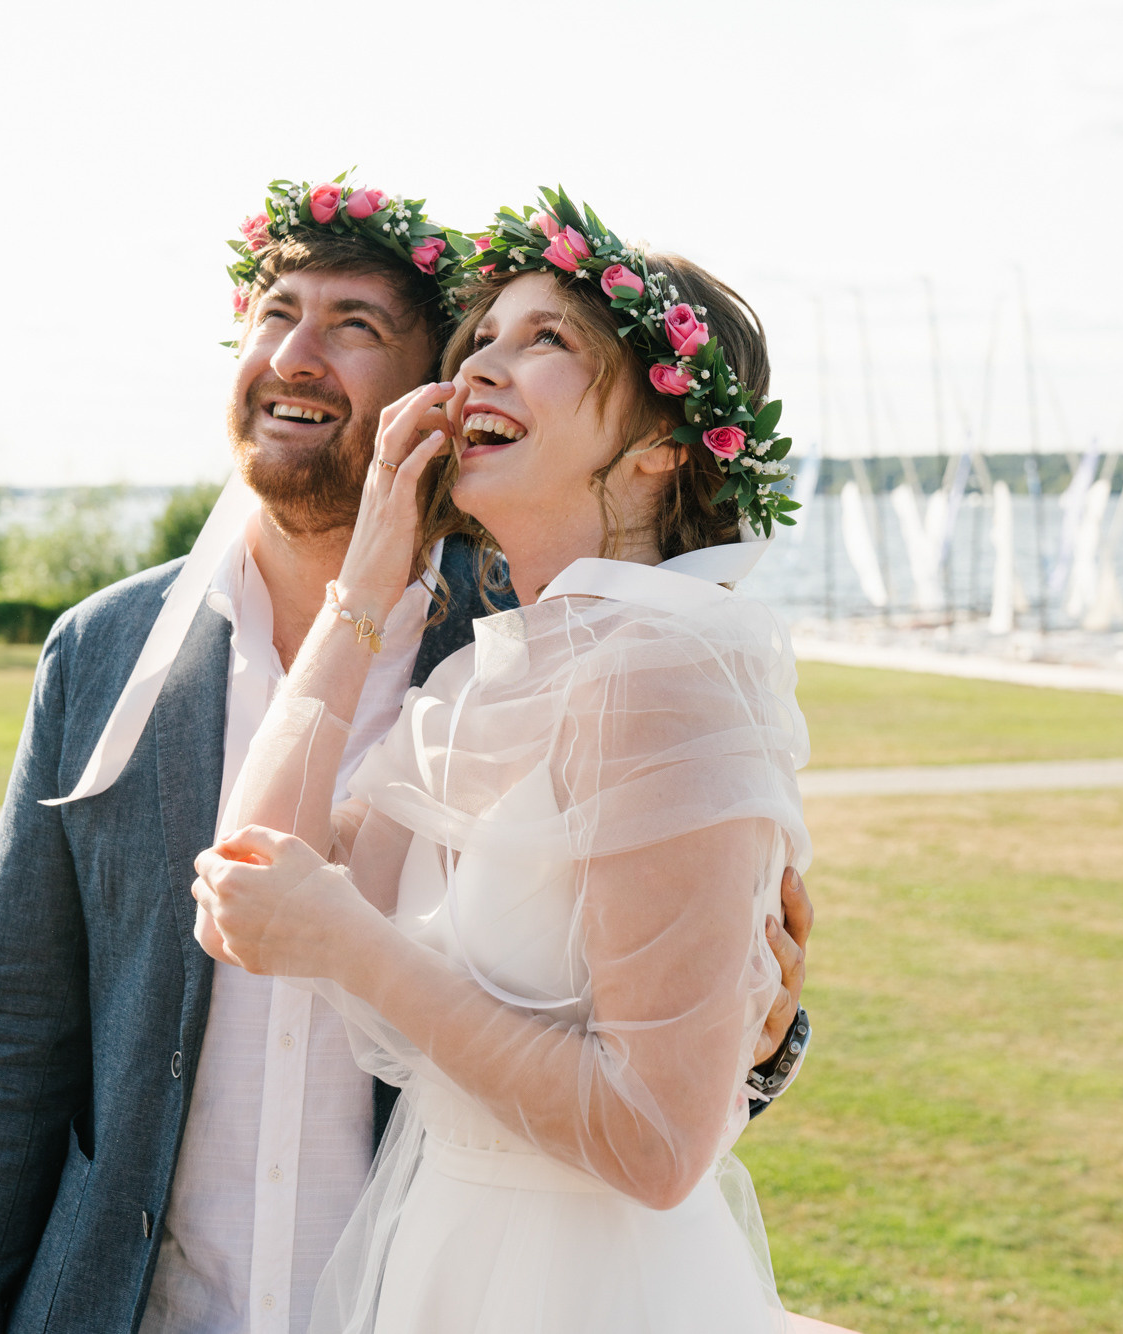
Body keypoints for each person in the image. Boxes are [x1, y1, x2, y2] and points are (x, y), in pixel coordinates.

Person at [0, 178, 813, 1334]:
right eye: (274, 312)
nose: (294, 354)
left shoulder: (522, 636)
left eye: (355, 326)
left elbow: (656, 1082)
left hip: (443, 1286)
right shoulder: (114, 650)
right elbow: (22, 1031)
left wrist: (756, 1037)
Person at [191, 187, 810, 1332]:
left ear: (662, 450)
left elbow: (658, 1143)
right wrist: (368, 576)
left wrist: (348, 940)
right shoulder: (471, 678)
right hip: (446, 1258)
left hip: (587, 1284)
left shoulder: (663, 673)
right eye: (478, 339)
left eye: (546, 342)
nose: (480, 366)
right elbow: (248, 883)